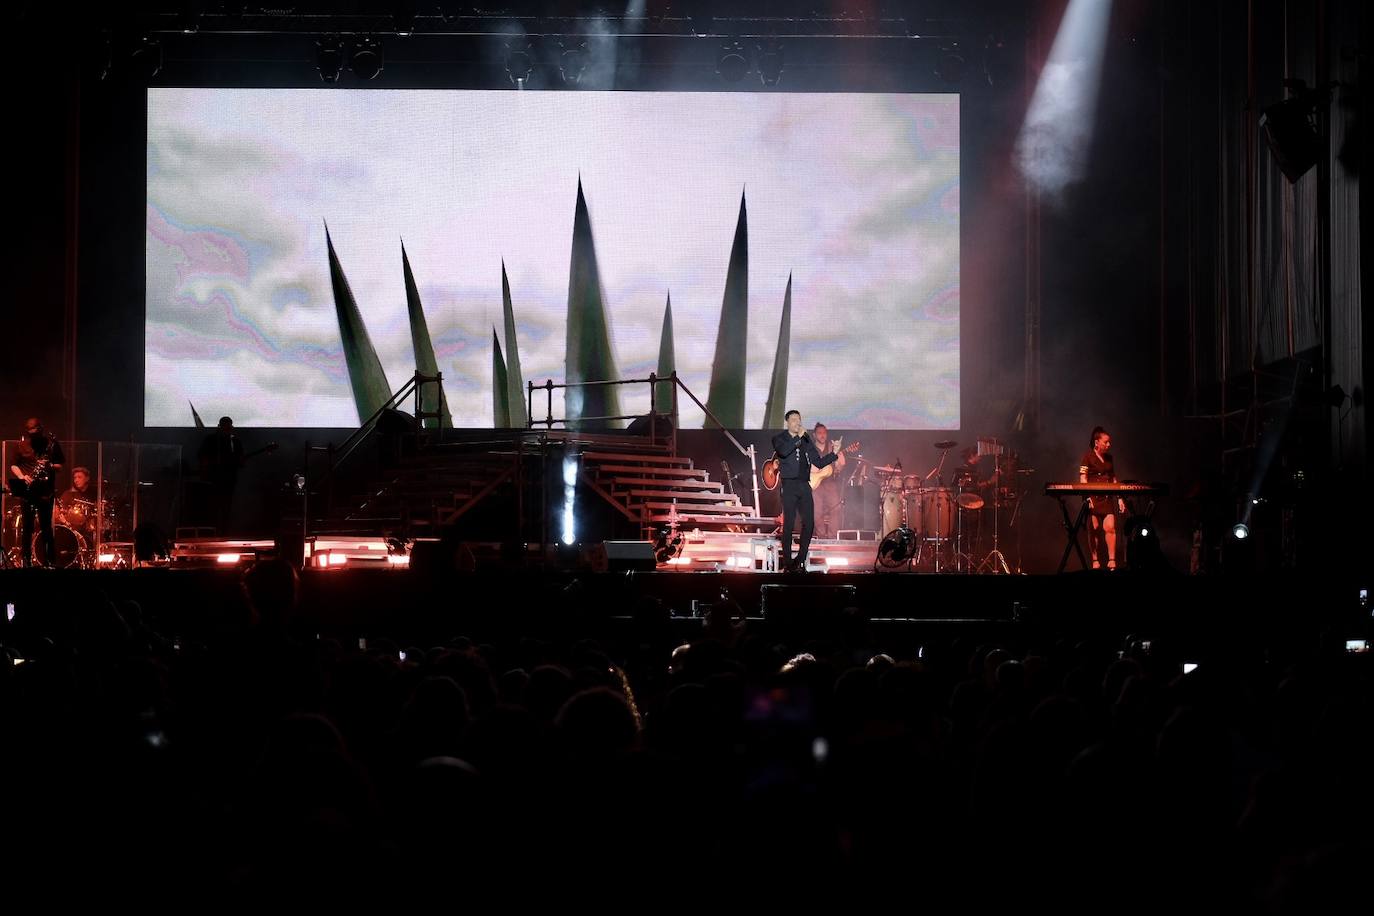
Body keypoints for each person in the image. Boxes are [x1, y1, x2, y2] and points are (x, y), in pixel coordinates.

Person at [770, 410, 838, 572]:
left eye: (799, 420)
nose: (797, 422)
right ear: (787, 422)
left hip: (804, 484)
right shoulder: (779, 438)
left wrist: (834, 453)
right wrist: (798, 438)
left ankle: (800, 559)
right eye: (793, 420)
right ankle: (788, 562)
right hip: (789, 485)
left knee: (809, 522)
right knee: (789, 523)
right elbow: (784, 452)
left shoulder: (806, 440)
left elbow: (819, 462)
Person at [8, 418, 65, 568]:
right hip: (27, 491)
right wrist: (22, 476)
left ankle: (50, 562)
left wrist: (49, 465)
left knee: (46, 528)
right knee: (27, 528)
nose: (34, 436)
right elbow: (13, 465)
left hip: (46, 492)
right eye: (31, 433)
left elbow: (60, 466)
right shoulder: (21, 445)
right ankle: (26, 562)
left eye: (36, 433)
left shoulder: (51, 444)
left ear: (41, 429)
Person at [1079, 426, 1125, 570]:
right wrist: (1087, 497)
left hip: (1107, 497)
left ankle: (1112, 560)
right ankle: (1095, 560)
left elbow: (1113, 478)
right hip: (1092, 497)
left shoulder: (1109, 458)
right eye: (1106, 442)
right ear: (1097, 442)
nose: (1109, 445)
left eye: (1109, 442)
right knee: (1094, 529)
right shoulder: (1087, 456)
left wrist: (1119, 498)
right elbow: (1083, 477)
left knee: (1110, 527)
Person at [198, 416, 245, 534]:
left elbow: (241, 462)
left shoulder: (235, 442)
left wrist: (239, 461)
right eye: (225, 427)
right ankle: (211, 531)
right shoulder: (211, 440)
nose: (227, 429)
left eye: (229, 427)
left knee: (226, 507)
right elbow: (202, 457)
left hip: (228, 480)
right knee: (212, 507)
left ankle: (223, 531)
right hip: (212, 479)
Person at [810, 423, 848, 539]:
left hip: (830, 483)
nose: (822, 435)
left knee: (836, 508)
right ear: (814, 435)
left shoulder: (832, 447)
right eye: (819, 433)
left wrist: (838, 457)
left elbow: (840, 467)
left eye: (824, 433)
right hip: (815, 484)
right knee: (817, 512)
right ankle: (821, 537)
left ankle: (832, 538)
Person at [57, 465, 99, 548]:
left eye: (79, 477)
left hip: (89, 530)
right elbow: (59, 510)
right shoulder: (68, 494)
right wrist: (64, 520)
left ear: (87, 478)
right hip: (71, 530)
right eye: (75, 478)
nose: (76, 480)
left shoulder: (94, 494)